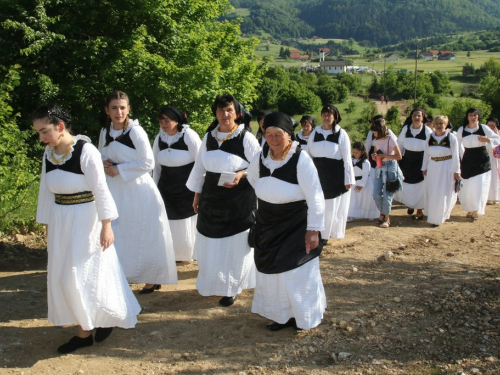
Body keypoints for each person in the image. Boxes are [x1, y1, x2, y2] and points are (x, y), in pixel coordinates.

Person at [34, 105, 141, 354]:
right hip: (61, 221)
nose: (41, 138)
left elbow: (101, 189)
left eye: (44, 131)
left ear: (60, 127)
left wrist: (106, 226)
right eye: (38, 133)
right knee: (65, 275)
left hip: (87, 220)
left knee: (88, 273)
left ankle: (88, 329)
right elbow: (45, 194)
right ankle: (92, 322)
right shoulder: (48, 155)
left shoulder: (86, 151)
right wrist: (48, 225)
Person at [247, 112, 326, 331]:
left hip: (295, 226)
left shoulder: (301, 159)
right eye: (268, 134)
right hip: (268, 224)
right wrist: (269, 193)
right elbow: (252, 178)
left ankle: (303, 317)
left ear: (289, 135)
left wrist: (313, 231)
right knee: (273, 274)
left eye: (278, 135)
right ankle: (280, 316)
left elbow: (316, 196)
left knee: (296, 273)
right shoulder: (260, 156)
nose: (272, 139)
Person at [98, 91, 177, 294]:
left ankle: (151, 278)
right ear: (107, 110)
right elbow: (100, 155)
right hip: (115, 189)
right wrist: (104, 163)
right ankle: (121, 275)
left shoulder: (135, 131)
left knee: (142, 233)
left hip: (137, 190)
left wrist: (120, 169)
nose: (119, 112)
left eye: (123, 107)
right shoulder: (104, 131)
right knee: (121, 233)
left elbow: (148, 161)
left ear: (129, 109)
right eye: (114, 107)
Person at [186, 94, 261, 307]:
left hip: (238, 200)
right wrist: (197, 194)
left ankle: (232, 287)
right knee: (209, 240)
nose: (224, 114)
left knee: (234, 244)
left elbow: (259, 166)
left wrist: (241, 174)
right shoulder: (209, 136)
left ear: (236, 112)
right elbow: (199, 167)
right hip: (211, 198)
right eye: (220, 110)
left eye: (228, 110)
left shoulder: (245, 137)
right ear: (215, 113)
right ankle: (212, 283)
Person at [152, 106, 202, 261]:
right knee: (168, 218)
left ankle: (188, 254)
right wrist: (154, 188)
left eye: (167, 120)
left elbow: (200, 162)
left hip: (186, 187)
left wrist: (197, 188)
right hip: (166, 187)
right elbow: (155, 166)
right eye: (161, 121)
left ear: (177, 120)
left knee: (186, 219)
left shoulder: (189, 135)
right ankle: (172, 254)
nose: (164, 124)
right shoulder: (159, 138)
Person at [307, 105, 355, 242]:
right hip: (317, 174)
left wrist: (348, 179)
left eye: (329, 114)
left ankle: (325, 235)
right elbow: (308, 154)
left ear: (335, 117)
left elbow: (347, 158)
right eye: (324, 114)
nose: (326, 117)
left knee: (329, 207)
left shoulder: (341, 133)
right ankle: (315, 230)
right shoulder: (315, 132)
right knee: (316, 203)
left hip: (334, 175)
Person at [456, 108, 500, 219]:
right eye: (471, 115)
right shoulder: (462, 130)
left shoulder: (484, 128)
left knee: (479, 185)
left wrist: (487, 140)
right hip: (467, 160)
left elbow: (497, 139)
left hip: (482, 160)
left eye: (475, 115)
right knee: (467, 186)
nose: (473, 117)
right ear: (467, 117)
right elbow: (455, 145)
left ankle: (476, 210)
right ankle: (469, 209)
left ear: (478, 116)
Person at [422, 116, 460, 227]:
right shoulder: (430, 137)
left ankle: (439, 217)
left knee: (443, 192)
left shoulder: (451, 137)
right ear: (433, 125)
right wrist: (424, 167)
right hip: (433, 166)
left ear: (446, 125)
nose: (439, 126)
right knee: (433, 192)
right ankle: (433, 215)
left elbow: (456, 155)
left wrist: (456, 170)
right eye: (437, 123)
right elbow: (426, 154)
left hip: (446, 167)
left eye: (441, 123)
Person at [395, 108, 432, 220]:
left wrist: (426, 165)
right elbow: (399, 144)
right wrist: (397, 159)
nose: (416, 118)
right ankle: (410, 204)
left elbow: (430, 149)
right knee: (407, 185)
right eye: (414, 115)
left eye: (419, 116)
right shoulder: (406, 129)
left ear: (423, 118)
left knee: (420, 187)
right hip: (407, 161)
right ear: (411, 118)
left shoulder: (427, 131)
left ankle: (419, 211)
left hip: (421, 162)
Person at [371, 118, 403, 228]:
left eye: (376, 132)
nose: (374, 135)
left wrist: (384, 156)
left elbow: (399, 156)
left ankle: (386, 218)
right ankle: (382, 212)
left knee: (387, 194)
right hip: (380, 167)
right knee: (376, 193)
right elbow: (376, 153)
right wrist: (375, 156)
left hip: (391, 167)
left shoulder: (391, 139)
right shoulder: (375, 141)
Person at [348, 142, 380, 221]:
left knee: (365, 199)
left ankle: (369, 214)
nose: (355, 154)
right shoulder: (351, 160)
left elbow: (365, 175)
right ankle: (351, 215)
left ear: (362, 152)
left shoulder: (365, 162)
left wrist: (361, 185)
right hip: (354, 182)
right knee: (353, 200)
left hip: (364, 184)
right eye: (354, 152)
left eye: (357, 152)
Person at [365, 116, 395, 183]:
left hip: (387, 158)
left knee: (386, 180)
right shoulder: (371, 132)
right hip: (375, 157)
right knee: (374, 177)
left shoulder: (389, 132)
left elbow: (396, 144)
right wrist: (365, 158)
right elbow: (367, 145)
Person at [486, 117, 500, 205]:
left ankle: (495, 197)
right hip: (485, 156)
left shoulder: (498, 134)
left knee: (495, 177)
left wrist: (497, 136)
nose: (490, 127)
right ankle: (486, 197)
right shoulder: (483, 133)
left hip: (496, 157)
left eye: (493, 126)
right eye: (489, 125)